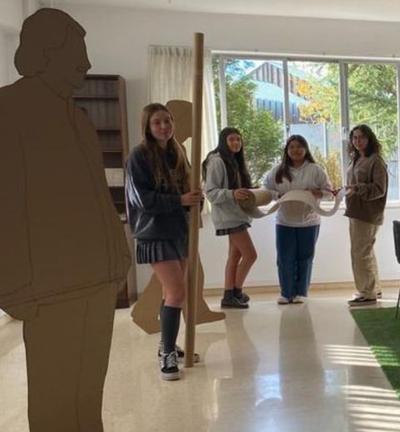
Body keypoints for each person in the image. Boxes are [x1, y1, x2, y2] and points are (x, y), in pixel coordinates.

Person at [0, 8, 142, 432]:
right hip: (48, 282)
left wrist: (116, 255)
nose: (86, 64)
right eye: (77, 53)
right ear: (44, 53)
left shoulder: (77, 118)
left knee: (88, 379)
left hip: (94, 274)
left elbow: (96, 198)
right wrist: (12, 285)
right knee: (54, 386)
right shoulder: (9, 110)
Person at [126, 103, 203, 381]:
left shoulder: (178, 153)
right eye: (157, 122)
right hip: (154, 232)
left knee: (171, 294)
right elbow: (141, 199)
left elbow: (189, 189)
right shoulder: (139, 156)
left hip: (178, 230)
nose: (164, 127)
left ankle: (167, 344)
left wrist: (194, 199)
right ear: (147, 126)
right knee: (177, 293)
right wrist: (180, 201)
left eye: (167, 121)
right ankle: (167, 353)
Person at [263, 135, 332, 304]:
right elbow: (265, 190)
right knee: (285, 258)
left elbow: (329, 192)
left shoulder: (315, 169)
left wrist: (317, 193)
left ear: (306, 149)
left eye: (300, 146)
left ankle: (301, 292)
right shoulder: (278, 170)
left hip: (309, 221)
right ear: (287, 150)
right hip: (284, 221)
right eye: (292, 147)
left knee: (305, 258)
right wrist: (277, 195)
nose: (296, 150)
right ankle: (286, 293)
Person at [203, 127, 257, 308]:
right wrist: (233, 194)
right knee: (250, 255)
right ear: (223, 141)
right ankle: (235, 291)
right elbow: (210, 193)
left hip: (237, 215)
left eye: (238, 140)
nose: (236, 143)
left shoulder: (233, 160)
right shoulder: (217, 161)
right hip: (229, 216)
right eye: (232, 139)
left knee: (234, 256)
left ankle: (229, 295)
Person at [345, 125, 388, 306]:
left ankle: (366, 292)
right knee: (365, 251)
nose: (357, 141)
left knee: (360, 252)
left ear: (369, 139)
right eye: (354, 138)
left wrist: (357, 188)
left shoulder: (375, 161)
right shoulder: (357, 159)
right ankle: (373, 288)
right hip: (356, 210)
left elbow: (379, 189)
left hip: (367, 213)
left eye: (361, 137)